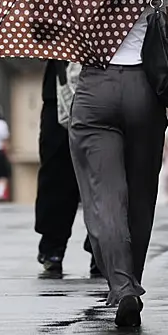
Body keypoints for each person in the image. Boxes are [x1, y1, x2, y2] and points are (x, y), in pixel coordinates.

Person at [70, 0, 168, 328]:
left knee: (104, 195)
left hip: (96, 87)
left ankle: (123, 285)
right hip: (143, 88)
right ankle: (132, 276)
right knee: (141, 194)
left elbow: (58, 33)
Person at [34, 60, 99, 277]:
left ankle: (101, 248)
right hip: (58, 91)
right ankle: (53, 246)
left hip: (101, 87)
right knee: (56, 174)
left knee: (102, 175)